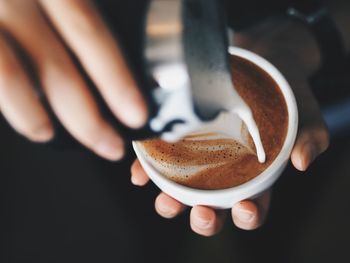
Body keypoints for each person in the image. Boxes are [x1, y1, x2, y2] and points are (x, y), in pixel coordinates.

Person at [0, 0, 348, 243]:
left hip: (320, 96)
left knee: (284, 222)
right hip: (120, 114)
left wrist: (315, 32)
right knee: (150, 219)